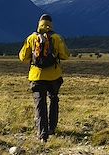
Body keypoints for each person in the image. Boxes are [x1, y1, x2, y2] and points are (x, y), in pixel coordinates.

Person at [19, 14, 70, 142]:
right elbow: (65, 56)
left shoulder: (31, 38)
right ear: (51, 24)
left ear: (39, 24)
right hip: (54, 76)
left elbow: (22, 57)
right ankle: (52, 128)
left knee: (40, 104)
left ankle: (42, 134)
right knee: (53, 99)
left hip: (36, 76)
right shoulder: (57, 38)